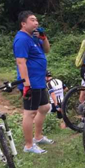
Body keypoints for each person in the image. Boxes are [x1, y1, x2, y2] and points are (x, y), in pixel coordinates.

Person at [13, 11, 53, 154]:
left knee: (45, 107)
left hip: (39, 81)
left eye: (36, 20)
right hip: (31, 83)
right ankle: (29, 145)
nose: (36, 23)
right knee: (30, 113)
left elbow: (47, 50)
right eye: (32, 20)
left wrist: (43, 37)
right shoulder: (21, 39)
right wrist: (27, 85)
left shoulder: (34, 38)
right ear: (23, 23)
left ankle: (38, 137)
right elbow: (21, 62)